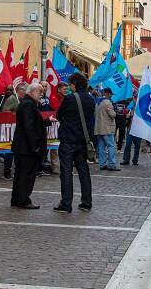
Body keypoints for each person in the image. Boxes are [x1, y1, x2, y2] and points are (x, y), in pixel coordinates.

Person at [53, 73, 95, 213]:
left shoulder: (70, 98)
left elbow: (59, 115)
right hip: (83, 140)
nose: (69, 86)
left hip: (68, 140)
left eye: (70, 84)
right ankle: (86, 202)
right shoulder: (91, 99)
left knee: (66, 171)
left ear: (75, 84)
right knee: (83, 171)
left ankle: (66, 204)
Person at [10, 82, 52, 209]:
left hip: (23, 147)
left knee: (20, 174)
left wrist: (47, 121)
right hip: (27, 148)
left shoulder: (27, 103)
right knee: (26, 175)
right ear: (32, 92)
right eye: (40, 92)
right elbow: (29, 127)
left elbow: (34, 123)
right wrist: (35, 146)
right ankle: (23, 200)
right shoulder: (28, 105)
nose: (42, 95)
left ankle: (17, 199)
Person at [94, 88, 121, 171]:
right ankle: (112, 164)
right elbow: (112, 114)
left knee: (101, 147)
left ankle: (102, 164)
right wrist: (116, 112)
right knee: (111, 146)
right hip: (107, 128)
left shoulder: (97, 102)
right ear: (108, 94)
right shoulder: (107, 102)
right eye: (111, 94)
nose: (111, 96)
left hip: (99, 128)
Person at [122, 92, 143, 167]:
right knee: (128, 143)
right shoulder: (132, 102)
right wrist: (126, 110)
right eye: (134, 96)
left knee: (137, 145)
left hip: (139, 127)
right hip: (131, 126)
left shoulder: (142, 103)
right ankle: (126, 159)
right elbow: (126, 110)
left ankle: (135, 160)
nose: (135, 97)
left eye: (136, 96)